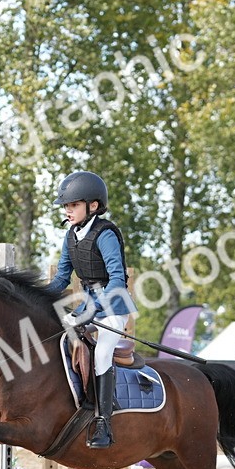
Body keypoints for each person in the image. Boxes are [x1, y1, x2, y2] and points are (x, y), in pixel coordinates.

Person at [46, 170, 136, 449]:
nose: (68, 210)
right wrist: (37, 297)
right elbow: (62, 278)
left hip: (113, 306)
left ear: (93, 206)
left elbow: (117, 279)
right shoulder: (70, 235)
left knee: (102, 352)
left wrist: (92, 311)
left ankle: (103, 423)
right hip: (87, 304)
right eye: (66, 206)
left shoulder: (105, 234)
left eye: (73, 205)